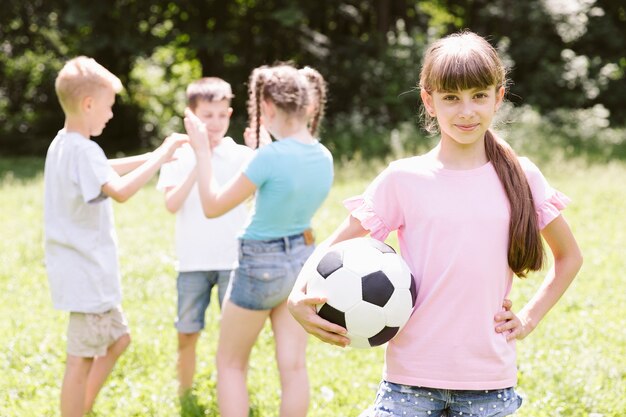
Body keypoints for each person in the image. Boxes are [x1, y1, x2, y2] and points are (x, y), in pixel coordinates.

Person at [288, 31, 583, 417]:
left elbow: (569, 257)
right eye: (451, 98)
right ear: (429, 100)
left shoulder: (522, 176)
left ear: (498, 96)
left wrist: (528, 318)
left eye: (479, 96)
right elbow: (336, 242)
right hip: (409, 382)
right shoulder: (403, 178)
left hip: (488, 385)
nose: (466, 111)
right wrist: (297, 295)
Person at [183, 63, 333, 417]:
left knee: (231, 363)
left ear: (266, 107)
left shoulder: (268, 158)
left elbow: (212, 205)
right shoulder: (323, 156)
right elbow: (284, 189)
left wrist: (202, 152)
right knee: (294, 367)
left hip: (259, 265)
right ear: (309, 105)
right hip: (301, 260)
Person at [44, 56, 186, 417]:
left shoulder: (65, 144)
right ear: (88, 104)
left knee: (119, 340)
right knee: (80, 361)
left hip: (84, 273)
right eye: (108, 107)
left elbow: (104, 169)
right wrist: (161, 157)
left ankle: (82, 408)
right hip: (86, 275)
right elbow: (119, 190)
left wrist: (155, 157)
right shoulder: (83, 149)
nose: (110, 115)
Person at [156, 77, 253, 396]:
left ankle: (233, 392)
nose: (215, 123)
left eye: (221, 115)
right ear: (191, 117)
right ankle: (184, 393)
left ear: (229, 113)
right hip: (192, 262)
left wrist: (258, 151)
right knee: (187, 333)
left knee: (236, 339)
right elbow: (171, 205)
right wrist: (201, 161)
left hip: (232, 261)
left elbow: (255, 199)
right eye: (206, 116)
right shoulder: (178, 156)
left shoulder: (241, 155)